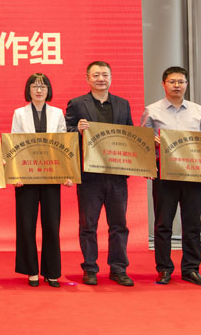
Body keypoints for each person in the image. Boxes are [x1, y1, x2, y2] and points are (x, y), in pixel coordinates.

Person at [141, 66, 201, 287]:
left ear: (186, 85)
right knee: (163, 224)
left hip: (193, 175)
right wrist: (151, 146)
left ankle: (191, 269)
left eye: (181, 82)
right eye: (172, 82)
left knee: (192, 224)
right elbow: (142, 143)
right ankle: (164, 269)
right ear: (163, 84)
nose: (177, 86)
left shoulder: (198, 110)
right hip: (165, 174)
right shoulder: (152, 110)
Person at [65, 61, 135, 287]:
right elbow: (65, 133)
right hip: (89, 176)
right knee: (88, 225)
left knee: (119, 224)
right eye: (96, 75)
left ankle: (118, 268)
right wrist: (77, 130)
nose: (101, 79)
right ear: (87, 79)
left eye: (105, 74)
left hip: (117, 174)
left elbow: (131, 136)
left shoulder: (123, 104)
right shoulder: (77, 104)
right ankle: (90, 268)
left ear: (111, 78)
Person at [11, 73, 72, 288]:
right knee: (26, 225)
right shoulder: (19, 113)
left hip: (51, 175)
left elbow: (63, 144)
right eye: (34, 86)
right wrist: (15, 174)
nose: (39, 90)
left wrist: (67, 174)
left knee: (51, 225)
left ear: (48, 90)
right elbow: (15, 144)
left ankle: (51, 271)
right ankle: (31, 271)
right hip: (26, 177)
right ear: (28, 90)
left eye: (43, 86)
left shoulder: (57, 113)